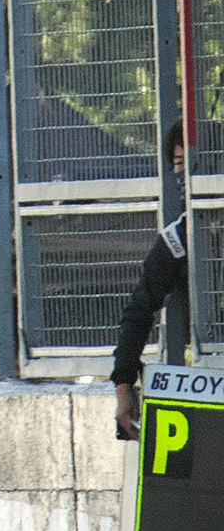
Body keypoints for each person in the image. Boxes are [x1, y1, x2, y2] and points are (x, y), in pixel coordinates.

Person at [115, 123, 189, 440]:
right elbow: (140, 310)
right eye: (179, 164)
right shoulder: (178, 238)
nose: (186, 174)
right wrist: (123, 386)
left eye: (195, 163)